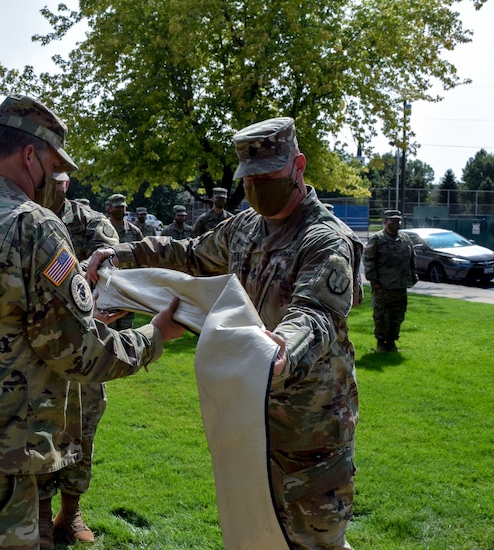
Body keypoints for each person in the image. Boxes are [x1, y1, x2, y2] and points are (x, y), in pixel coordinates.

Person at [0, 95, 184, 550]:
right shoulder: (33, 225)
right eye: (54, 165)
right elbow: (81, 354)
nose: (57, 178)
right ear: (30, 156)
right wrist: (156, 334)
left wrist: (79, 299)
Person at [87, 117, 363, 549]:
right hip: (249, 417)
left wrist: (283, 346)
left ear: (298, 166)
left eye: (267, 175)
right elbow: (189, 256)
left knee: (315, 539)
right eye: (249, 178)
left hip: (309, 428)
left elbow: (316, 315)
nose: (256, 186)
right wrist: (120, 255)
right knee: (259, 532)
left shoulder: (325, 240)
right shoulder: (246, 226)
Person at [35, 172, 120, 544]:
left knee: (83, 426)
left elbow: (105, 271)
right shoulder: (24, 221)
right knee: (37, 426)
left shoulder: (91, 223)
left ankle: (70, 512)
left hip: (84, 342)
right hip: (37, 346)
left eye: (56, 180)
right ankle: (38, 514)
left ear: (66, 184)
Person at [363, 209, 418, 352]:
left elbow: (411, 259)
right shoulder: (377, 239)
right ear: (385, 222)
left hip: (400, 287)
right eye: (392, 221)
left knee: (398, 316)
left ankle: (392, 342)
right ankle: (381, 344)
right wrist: (374, 282)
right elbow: (369, 261)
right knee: (381, 317)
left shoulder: (405, 239)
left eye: (398, 220)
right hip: (383, 287)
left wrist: (412, 277)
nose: (396, 223)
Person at [106, 193, 144, 332]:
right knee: (107, 329)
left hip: (127, 287)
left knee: (126, 329)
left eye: (123, 207)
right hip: (106, 286)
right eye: (117, 207)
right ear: (109, 208)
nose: (121, 210)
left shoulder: (134, 232)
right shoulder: (101, 229)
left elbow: (142, 258)